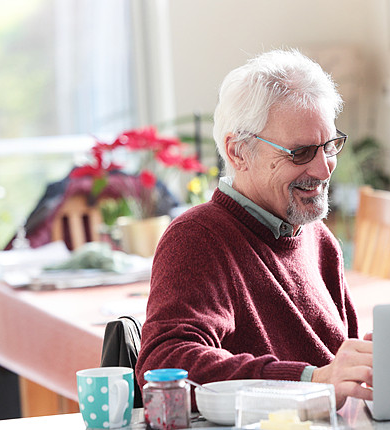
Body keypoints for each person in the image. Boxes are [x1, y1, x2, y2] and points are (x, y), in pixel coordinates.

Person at [135, 49, 372, 409]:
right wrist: (310, 382)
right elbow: (164, 364)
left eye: (329, 146)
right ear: (238, 153)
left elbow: (342, 375)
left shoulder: (318, 239)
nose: (324, 170)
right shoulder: (198, 237)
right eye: (301, 153)